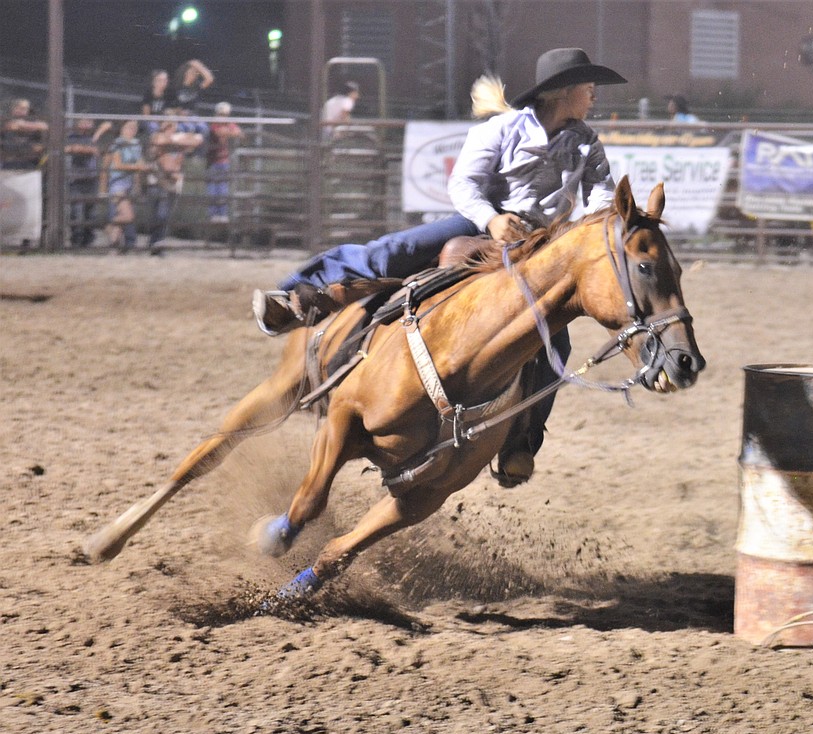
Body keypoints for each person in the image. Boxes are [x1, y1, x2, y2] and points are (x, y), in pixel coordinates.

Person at [253, 47, 627, 485]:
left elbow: (602, 198)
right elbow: (465, 183)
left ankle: (521, 442)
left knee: (554, 346)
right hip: (482, 222)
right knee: (395, 250)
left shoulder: (586, 141)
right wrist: (492, 218)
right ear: (563, 92)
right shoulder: (502, 129)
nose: (594, 96)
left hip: (539, 248)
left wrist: (573, 237)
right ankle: (297, 295)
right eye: (588, 87)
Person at [144, 114, 203, 255]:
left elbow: (197, 140)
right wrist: (179, 143)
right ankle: (155, 242)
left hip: (172, 182)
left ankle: (157, 243)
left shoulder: (177, 137)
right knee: (159, 214)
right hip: (158, 181)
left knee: (165, 215)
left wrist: (179, 141)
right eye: (167, 126)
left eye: (173, 126)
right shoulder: (157, 136)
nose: (171, 129)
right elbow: (159, 143)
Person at [101, 120, 150, 253]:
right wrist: (137, 167)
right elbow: (117, 164)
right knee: (128, 216)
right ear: (122, 129)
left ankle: (113, 245)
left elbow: (139, 162)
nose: (132, 130)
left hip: (128, 184)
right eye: (129, 127)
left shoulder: (136, 144)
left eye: (134, 128)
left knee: (121, 215)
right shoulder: (117, 143)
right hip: (117, 183)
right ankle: (108, 226)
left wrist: (142, 169)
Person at [65, 116, 112, 247]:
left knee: (90, 212)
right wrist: (99, 133)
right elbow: (76, 149)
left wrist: (93, 143)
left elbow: (98, 151)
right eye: (83, 122)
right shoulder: (73, 136)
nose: (86, 125)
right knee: (76, 211)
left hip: (92, 179)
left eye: (89, 123)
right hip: (76, 180)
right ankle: (76, 240)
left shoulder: (93, 138)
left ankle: (88, 240)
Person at [205, 101, 241, 223]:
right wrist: (229, 131)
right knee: (213, 188)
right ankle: (213, 214)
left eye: (225, 114)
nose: (223, 116)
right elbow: (219, 134)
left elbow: (239, 133)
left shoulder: (228, 123)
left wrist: (228, 131)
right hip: (213, 160)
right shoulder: (214, 123)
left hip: (224, 160)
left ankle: (222, 214)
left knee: (223, 188)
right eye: (222, 113)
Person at [1, 98, 49, 169]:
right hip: (9, 161)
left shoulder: (32, 120)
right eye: (20, 108)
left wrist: (25, 125)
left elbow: (44, 126)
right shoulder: (6, 120)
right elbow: (13, 125)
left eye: (25, 109)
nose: (23, 111)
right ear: (13, 109)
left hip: (29, 162)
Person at [140, 70, 171, 134]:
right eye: (160, 80)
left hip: (163, 121)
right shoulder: (148, 94)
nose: (163, 83)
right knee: (153, 126)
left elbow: (169, 112)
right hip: (149, 121)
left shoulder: (168, 95)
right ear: (154, 82)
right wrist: (158, 122)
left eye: (165, 80)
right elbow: (146, 115)